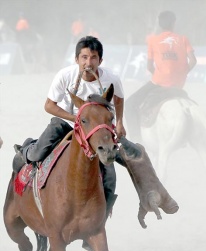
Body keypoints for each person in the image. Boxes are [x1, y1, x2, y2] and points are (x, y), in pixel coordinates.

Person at [18, 36, 126, 227]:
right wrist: (75, 119)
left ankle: (101, 220)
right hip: (66, 122)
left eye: (93, 58)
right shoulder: (64, 76)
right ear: (76, 59)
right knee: (37, 153)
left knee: (111, 176)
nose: (88, 62)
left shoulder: (111, 79)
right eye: (84, 57)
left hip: (96, 130)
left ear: (100, 60)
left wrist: (120, 123)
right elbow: (49, 106)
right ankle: (24, 150)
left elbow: (118, 99)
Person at [125, 10, 197, 143]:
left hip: (159, 82)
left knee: (129, 105)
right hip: (178, 84)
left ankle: (136, 140)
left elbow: (149, 66)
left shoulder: (153, 40)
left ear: (159, 24)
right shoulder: (183, 39)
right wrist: (181, 74)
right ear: (174, 23)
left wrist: (160, 75)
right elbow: (193, 61)